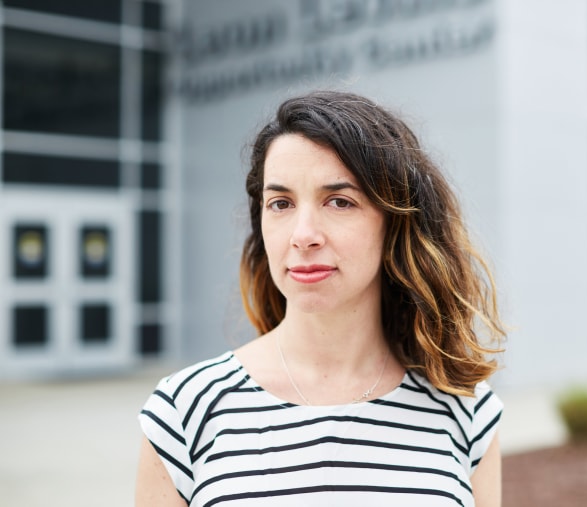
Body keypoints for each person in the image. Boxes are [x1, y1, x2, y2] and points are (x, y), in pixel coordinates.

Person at [135, 90, 506, 507]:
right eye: (281, 203)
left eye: (339, 201)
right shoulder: (184, 411)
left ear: (397, 223)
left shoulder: (465, 410)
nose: (303, 234)